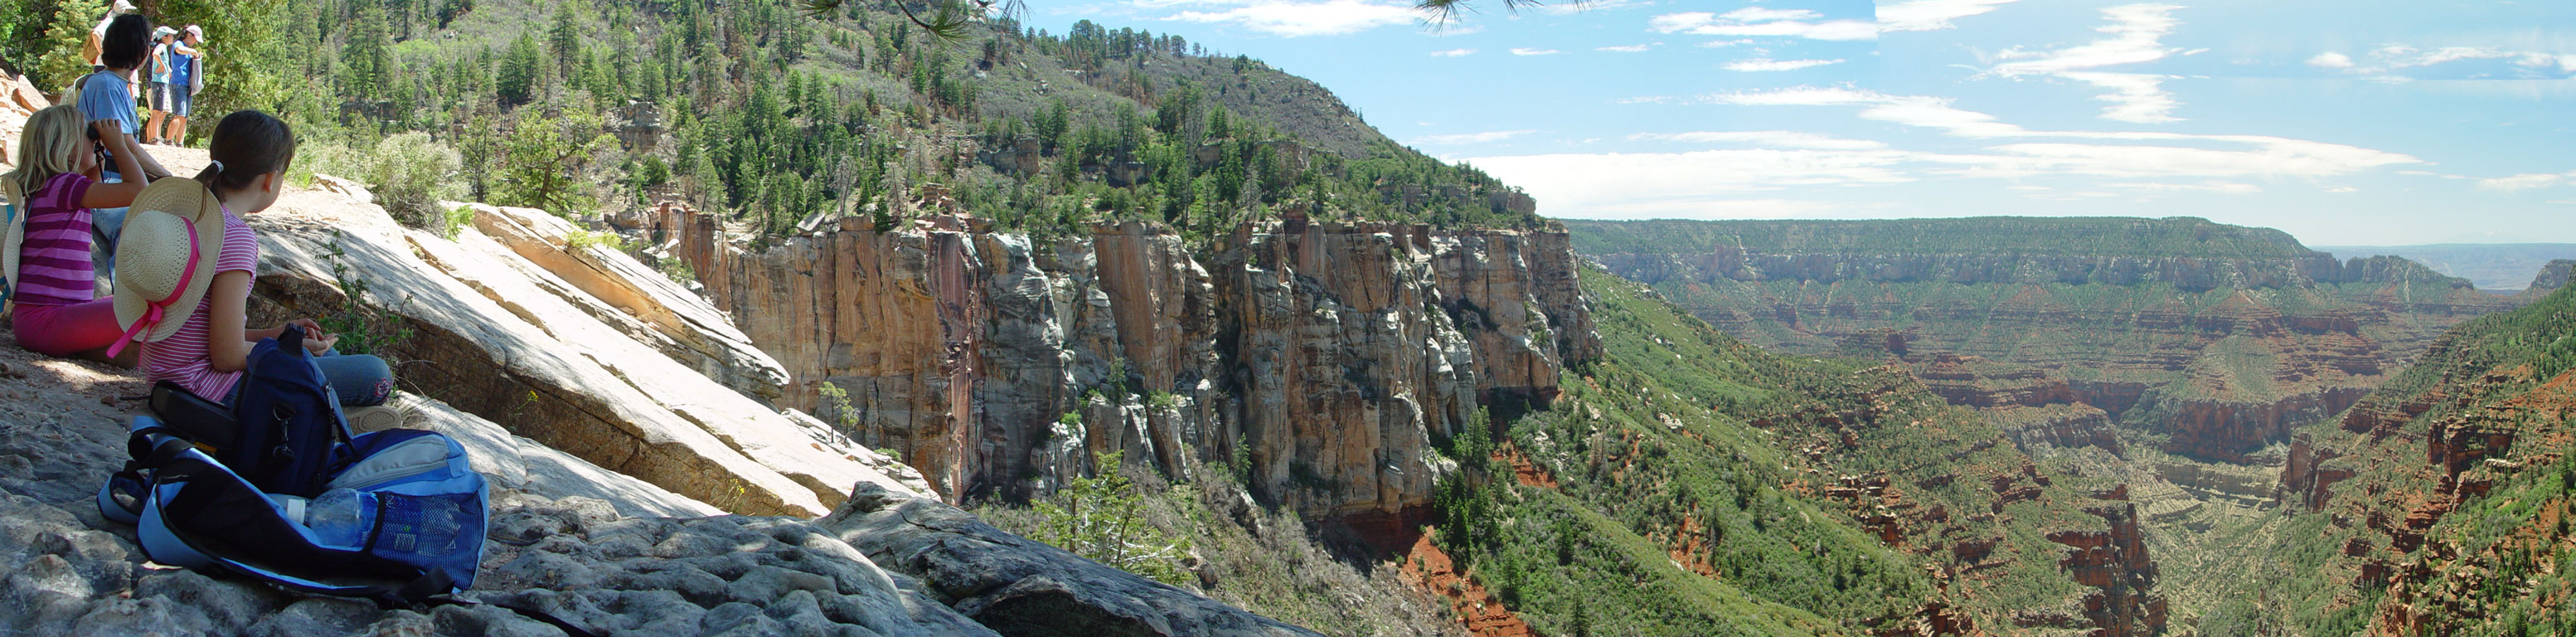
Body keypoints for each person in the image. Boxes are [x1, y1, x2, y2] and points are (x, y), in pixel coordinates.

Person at [120, 110, 400, 425]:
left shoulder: (189, 217)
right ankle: (324, 422)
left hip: (170, 382)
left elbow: (201, 334)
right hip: (208, 392)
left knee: (325, 355)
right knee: (377, 375)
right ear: (270, 179)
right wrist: (281, 351)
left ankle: (327, 413)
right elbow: (226, 357)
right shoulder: (235, 237)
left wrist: (276, 336)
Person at [2, 105, 148, 365]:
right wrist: (118, 145)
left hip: (41, 322)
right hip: (51, 320)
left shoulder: (50, 187)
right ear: (67, 145)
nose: (94, 139)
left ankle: (91, 350)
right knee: (144, 305)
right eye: (88, 135)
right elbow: (139, 190)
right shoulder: (66, 186)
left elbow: (92, 188)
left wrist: (97, 155)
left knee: (131, 342)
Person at [77, 13, 175, 282]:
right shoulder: (106, 85)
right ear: (143, 53)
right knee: (131, 227)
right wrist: (167, 177)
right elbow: (125, 145)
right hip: (103, 180)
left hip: (116, 178)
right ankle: (122, 301)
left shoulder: (115, 85)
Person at [162, 26, 207, 148]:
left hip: (189, 85)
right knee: (179, 114)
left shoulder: (188, 49)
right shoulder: (178, 44)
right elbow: (179, 50)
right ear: (189, 35)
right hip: (178, 83)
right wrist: (193, 51)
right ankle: (169, 140)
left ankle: (179, 142)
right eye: (195, 38)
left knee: (185, 117)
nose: (195, 41)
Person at [142, 27, 176, 145]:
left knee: (162, 111)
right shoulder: (160, 47)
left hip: (162, 82)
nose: (172, 37)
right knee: (157, 111)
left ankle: (156, 137)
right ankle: (155, 138)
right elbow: (155, 54)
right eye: (170, 35)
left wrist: (167, 69)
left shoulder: (163, 48)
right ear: (164, 37)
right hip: (158, 83)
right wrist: (161, 65)